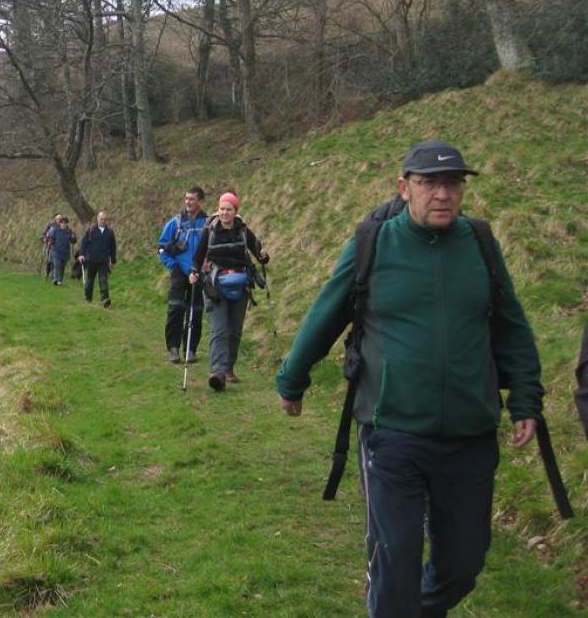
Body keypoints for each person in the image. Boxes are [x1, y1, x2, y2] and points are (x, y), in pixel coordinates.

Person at [276, 141, 543, 618]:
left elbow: (511, 326)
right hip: (391, 431)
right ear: (404, 188)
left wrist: (525, 399)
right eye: (429, 183)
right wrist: (292, 380)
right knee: (395, 554)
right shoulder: (373, 243)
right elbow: (326, 313)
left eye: (453, 183)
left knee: (463, 563)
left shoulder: (480, 244)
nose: (442, 194)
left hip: (469, 433)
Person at [189, 191, 267, 391]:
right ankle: (218, 372)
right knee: (219, 329)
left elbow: (258, 253)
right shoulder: (210, 230)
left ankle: (229, 368)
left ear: (235, 212)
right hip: (215, 286)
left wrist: (264, 256)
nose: (224, 213)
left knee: (234, 331)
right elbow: (198, 257)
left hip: (241, 285)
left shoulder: (243, 231)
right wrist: (194, 272)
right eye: (221, 209)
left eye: (228, 210)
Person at [158, 187, 208, 365]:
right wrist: (173, 267)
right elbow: (162, 248)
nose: (188, 202)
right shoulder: (175, 223)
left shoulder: (208, 223)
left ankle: (191, 349)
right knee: (176, 309)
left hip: (200, 273)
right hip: (179, 271)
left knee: (196, 311)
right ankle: (173, 348)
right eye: (186, 198)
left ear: (200, 201)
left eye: (192, 199)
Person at [77, 211, 117, 307]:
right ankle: (88, 298)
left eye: (104, 219)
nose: (103, 221)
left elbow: (113, 247)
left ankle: (105, 299)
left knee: (103, 280)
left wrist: (113, 259)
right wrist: (81, 254)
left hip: (103, 260)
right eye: (101, 219)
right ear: (97, 219)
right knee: (90, 280)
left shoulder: (109, 232)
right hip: (91, 259)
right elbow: (84, 243)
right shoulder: (91, 230)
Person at [47, 216, 77, 286]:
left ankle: (60, 280)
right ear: (60, 224)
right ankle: (55, 279)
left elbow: (73, 241)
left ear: (67, 224)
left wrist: (73, 238)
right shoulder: (55, 230)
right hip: (56, 251)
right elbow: (52, 238)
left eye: (65, 223)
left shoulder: (69, 231)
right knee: (57, 265)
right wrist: (51, 244)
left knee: (62, 266)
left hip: (65, 252)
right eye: (62, 223)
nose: (63, 224)